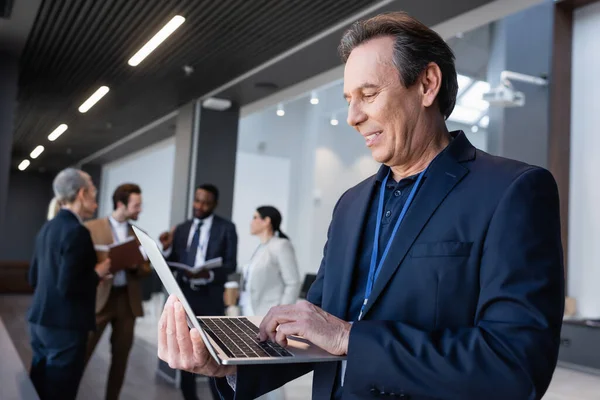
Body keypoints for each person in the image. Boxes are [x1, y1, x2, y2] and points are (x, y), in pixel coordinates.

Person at [157, 11, 565, 400]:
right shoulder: (350, 205)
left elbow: (516, 364)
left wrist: (350, 338)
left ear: (426, 84)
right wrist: (231, 367)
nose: (353, 116)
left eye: (368, 94)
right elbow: (312, 329)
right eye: (349, 98)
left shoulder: (512, 191)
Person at [28, 168, 112, 400]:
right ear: (82, 193)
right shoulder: (78, 232)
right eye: (94, 193)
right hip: (65, 328)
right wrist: (97, 273)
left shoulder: (47, 228)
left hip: (39, 322)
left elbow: (33, 278)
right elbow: (69, 286)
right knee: (60, 392)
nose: (96, 200)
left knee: (38, 388)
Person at [159, 183, 238, 400]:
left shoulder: (226, 228)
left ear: (215, 204)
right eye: (197, 200)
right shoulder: (182, 228)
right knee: (187, 350)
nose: (200, 205)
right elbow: (172, 261)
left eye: (206, 202)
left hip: (211, 296)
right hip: (185, 295)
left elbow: (231, 264)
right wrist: (165, 247)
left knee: (215, 351)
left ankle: (219, 397)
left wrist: (209, 275)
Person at [84, 183, 152, 400]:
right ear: (121, 204)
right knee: (82, 352)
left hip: (127, 301)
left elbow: (147, 268)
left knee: (121, 358)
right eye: (136, 205)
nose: (140, 209)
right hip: (99, 299)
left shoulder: (139, 233)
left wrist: (136, 265)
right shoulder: (91, 228)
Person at [238, 206, 300, 400]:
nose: (251, 221)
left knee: (270, 375)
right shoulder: (260, 248)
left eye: (255, 217)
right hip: (250, 315)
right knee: (255, 372)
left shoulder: (280, 245)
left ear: (266, 221)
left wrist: (281, 316)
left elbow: (293, 282)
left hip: (268, 318)